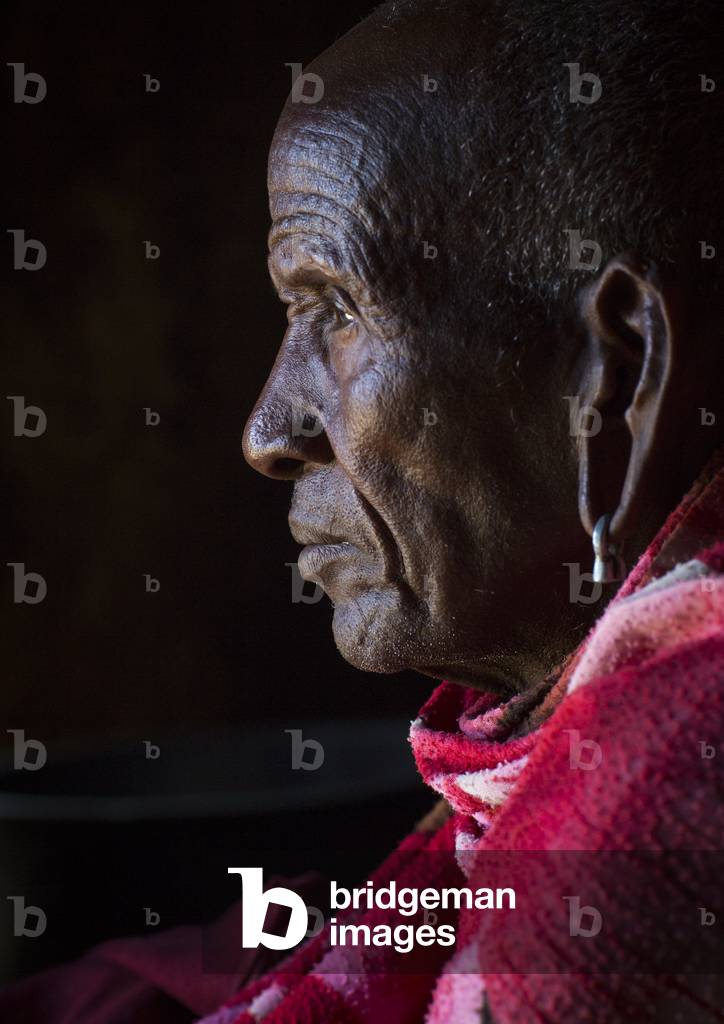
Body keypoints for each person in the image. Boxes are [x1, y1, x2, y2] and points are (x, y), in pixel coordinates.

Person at [3, 0, 723, 1020]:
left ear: (617, 373)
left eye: (335, 308)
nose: (268, 432)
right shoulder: (532, 803)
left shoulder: (657, 804)